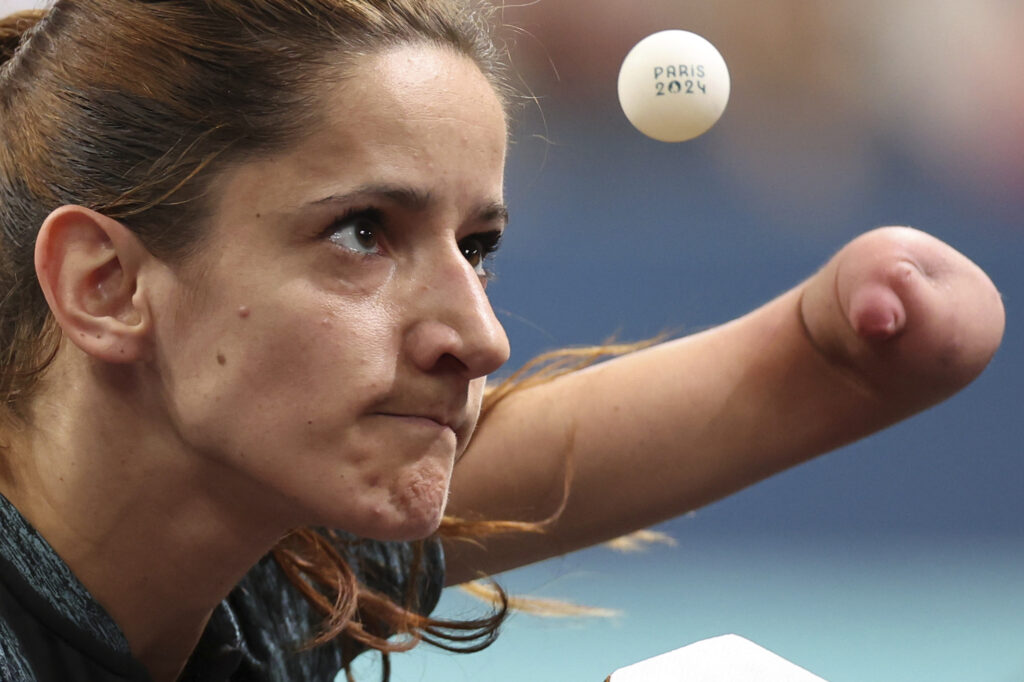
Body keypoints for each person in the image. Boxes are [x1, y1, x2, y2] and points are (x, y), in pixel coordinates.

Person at [0, 0, 1005, 680]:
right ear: (108, 285)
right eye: (364, 234)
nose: (480, 336)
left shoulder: (266, 551)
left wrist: (835, 347)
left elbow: (591, 442)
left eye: (475, 245)